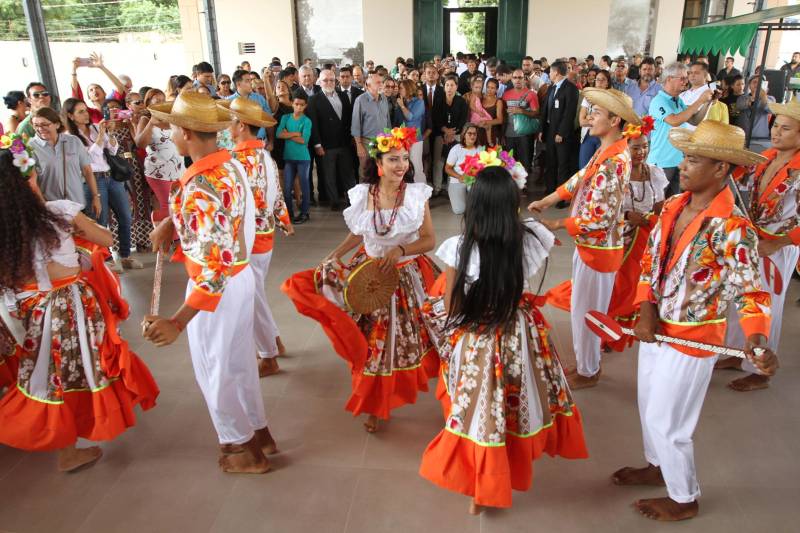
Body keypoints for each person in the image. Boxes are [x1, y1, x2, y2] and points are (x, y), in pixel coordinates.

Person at [615, 120, 777, 522]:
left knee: (670, 421)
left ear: (721, 169)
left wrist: (756, 339)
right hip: (656, 331)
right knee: (648, 404)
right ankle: (657, 465)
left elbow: (751, 290)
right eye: (684, 158)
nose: (682, 166)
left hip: (694, 338)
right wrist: (646, 309)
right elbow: (651, 262)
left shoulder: (733, 227)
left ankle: (684, 497)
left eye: (693, 160)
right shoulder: (673, 206)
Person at [419, 166, 588, 514]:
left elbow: (452, 306)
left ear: (475, 205)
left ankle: (484, 484)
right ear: (513, 202)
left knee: (483, 406)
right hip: (519, 333)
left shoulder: (460, 248)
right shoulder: (531, 237)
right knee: (516, 400)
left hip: (479, 338)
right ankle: (506, 465)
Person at [0, 143, 158, 471]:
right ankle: (68, 451)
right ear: (29, 179)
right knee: (73, 370)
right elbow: (105, 239)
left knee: (47, 373)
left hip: (33, 308)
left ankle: (66, 443)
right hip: (68, 306)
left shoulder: (8, 229)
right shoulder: (59, 212)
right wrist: (80, 245)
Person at [143, 91, 274, 474]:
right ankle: (259, 434)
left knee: (215, 369)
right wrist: (174, 224)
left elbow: (214, 265)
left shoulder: (199, 184)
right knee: (237, 363)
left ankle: (241, 450)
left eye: (171, 128)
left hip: (215, 288)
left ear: (185, 133)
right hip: (240, 276)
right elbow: (227, 225)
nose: (169, 134)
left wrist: (178, 320)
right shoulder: (230, 165)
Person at [282, 126, 439, 434]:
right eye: (393, 159)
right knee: (372, 345)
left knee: (402, 342)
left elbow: (429, 239)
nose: (401, 166)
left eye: (405, 159)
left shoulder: (417, 195)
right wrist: (334, 255)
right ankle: (375, 403)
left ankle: (386, 399)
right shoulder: (363, 194)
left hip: (405, 276)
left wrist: (401, 249)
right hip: (365, 277)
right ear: (378, 164)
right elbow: (358, 232)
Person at [529, 88, 639, 389]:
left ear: (615, 120)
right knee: (583, 307)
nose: (589, 117)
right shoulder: (606, 151)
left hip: (599, 249)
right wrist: (550, 198)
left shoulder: (615, 160)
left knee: (588, 312)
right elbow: (579, 179)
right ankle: (587, 364)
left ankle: (588, 370)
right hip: (592, 248)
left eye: (597, 113)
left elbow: (598, 219)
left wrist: (557, 223)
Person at [718, 100, 800, 391]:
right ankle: (738, 351)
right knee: (743, 294)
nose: (777, 132)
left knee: (768, 304)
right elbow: (736, 177)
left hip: (778, 245)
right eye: (776, 125)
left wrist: (777, 243)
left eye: (786, 128)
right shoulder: (767, 156)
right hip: (753, 239)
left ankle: (762, 370)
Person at [222, 97, 293, 378]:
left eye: (229, 121)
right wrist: (284, 220)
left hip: (246, 238)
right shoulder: (265, 155)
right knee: (256, 291)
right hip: (265, 233)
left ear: (240, 125)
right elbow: (276, 193)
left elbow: (235, 206)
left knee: (252, 296)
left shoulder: (234, 160)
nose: (227, 127)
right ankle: (274, 340)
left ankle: (268, 355)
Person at [62, 98, 140, 273]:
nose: (86, 115)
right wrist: (99, 138)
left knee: (125, 217)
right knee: (101, 221)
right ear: (70, 116)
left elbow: (112, 150)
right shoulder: (69, 138)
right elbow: (87, 159)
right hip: (92, 180)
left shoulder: (96, 127)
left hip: (111, 175)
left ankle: (125, 255)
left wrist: (109, 134)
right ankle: (107, 259)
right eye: (80, 112)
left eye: (85, 110)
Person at [647, 62, 713, 197]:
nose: (686, 81)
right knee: (656, 204)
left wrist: (707, 103)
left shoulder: (678, 100)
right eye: (682, 78)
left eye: (686, 77)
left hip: (678, 161)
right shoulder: (659, 101)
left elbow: (694, 120)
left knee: (674, 204)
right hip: (661, 162)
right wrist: (700, 101)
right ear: (669, 79)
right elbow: (675, 120)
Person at [29, 107, 101, 217]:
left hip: (78, 206)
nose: (40, 129)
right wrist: (44, 206)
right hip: (52, 209)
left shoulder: (73, 141)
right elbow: (32, 182)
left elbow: (87, 171)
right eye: (36, 125)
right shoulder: (30, 147)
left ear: (57, 124)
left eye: (45, 124)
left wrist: (96, 197)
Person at [307, 68, 356, 211]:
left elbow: (348, 120)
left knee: (348, 173)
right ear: (319, 82)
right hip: (326, 145)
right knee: (329, 175)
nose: (329, 82)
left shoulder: (343, 96)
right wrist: (317, 144)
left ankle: (351, 199)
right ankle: (334, 201)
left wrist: (352, 137)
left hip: (344, 142)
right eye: (325, 80)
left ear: (336, 81)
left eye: (331, 80)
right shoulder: (313, 100)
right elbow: (314, 125)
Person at [135, 89, 185, 215]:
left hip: (178, 169)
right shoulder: (145, 120)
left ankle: (177, 233)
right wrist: (151, 123)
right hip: (159, 171)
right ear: (148, 104)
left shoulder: (171, 118)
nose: (161, 104)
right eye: (157, 101)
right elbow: (140, 143)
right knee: (168, 207)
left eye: (163, 101)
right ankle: (167, 234)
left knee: (180, 205)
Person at [540, 61, 579, 196]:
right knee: (550, 162)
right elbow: (545, 110)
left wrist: (561, 132)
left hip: (562, 133)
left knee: (562, 165)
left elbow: (569, 113)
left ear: (556, 72)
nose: (549, 74)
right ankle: (550, 190)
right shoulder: (551, 88)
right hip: (550, 130)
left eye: (550, 72)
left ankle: (562, 196)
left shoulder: (571, 89)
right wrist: (541, 130)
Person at [277, 93, 313, 224]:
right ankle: (290, 214)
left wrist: (288, 134)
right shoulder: (285, 118)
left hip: (303, 158)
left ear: (305, 106)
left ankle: (304, 213)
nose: (298, 107)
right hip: (289, 158)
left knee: (304, 186)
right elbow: (278, 134)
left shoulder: (307, 121)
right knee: (286, 188)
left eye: (301, 105)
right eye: (296, 104)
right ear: (292, 103)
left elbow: (304, 140)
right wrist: (295, 134)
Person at [352, 72, 392, 180]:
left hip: (383, 142)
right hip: (366, 142)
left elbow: (387, 121)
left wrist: (390, 140)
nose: (381, 85)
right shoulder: (360, 100)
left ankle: (378, 196)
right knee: (366, 172)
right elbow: (355, 125)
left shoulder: (384, 98)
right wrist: (359, 145)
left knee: (382, 171)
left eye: (382, 83)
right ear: (368, 85)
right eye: (378, 82)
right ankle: (365, 196)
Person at [434, 75, 468, 196]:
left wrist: (452, 132)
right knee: (439, 161)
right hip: (440, 135)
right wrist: (445, 130)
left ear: (456, 87)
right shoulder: (438, 100)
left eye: (452, 85)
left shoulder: (461, 101)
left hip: (456, 135)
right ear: (444, 87)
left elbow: (463, 119)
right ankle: (437, 187)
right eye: (447, 85)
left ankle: (450, 188)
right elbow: (435, 118)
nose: (449, 88)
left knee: (453, 162)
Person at [70, 53, 127, 124]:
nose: (94, 90)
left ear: (105, 93)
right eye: (91, 90)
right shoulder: (89, 113)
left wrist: (102, 67)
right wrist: (73, 69)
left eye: (97, 88)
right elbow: (75, 94)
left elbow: (120, 87)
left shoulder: (114, 105)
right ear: (89, 98)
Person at [444, 123, 484, 214]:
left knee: (476, 209)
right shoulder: (456, 149)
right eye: (469, 133)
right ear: (464, 135)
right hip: (457, 181)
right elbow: (447, 168)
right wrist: (459, 177)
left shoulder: (480, 149)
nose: (472, 136)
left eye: (474, 134)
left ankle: (470, 200)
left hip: (474, 182)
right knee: (459, 210)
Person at [395, 79, 426, 184]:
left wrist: (402, 106)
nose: (399, 90)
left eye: (401, 88)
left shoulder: (419, 102)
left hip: (415, 139)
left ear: (408, 88)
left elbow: (410, 117)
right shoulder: (401, 101)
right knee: (404, 166)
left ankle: (422, 193)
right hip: (402, 139)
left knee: (416, 165)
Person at [579, 69, 611, 168]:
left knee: (600, 168)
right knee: (584, 168)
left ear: (607, 83)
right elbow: (581, 122)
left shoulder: (612, 100)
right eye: (597, 79)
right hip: (588, 136)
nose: (600, 82)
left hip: (604, 137)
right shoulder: (588, 97)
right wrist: (598, 120)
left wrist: (589, 118)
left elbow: (609, 122)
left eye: (603, 80)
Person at [735, 75, 775, 152]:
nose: (757, 84)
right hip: (742, 138)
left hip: (760, 139)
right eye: (755, 82)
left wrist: (763, 97)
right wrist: (753, 98)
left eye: (760, 83)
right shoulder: (742, 98)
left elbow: (772, 110)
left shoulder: (771, 99)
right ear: (749, 85)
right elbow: (740, 106)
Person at [480, 78, 504, 146]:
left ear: (496, 90)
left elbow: (500, 120)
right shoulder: (481, 99)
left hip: (492, 133)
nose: (489, 90)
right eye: (488, 87)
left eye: (492, 88)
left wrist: (485, 122)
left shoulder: (498, 101)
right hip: (479, 132)